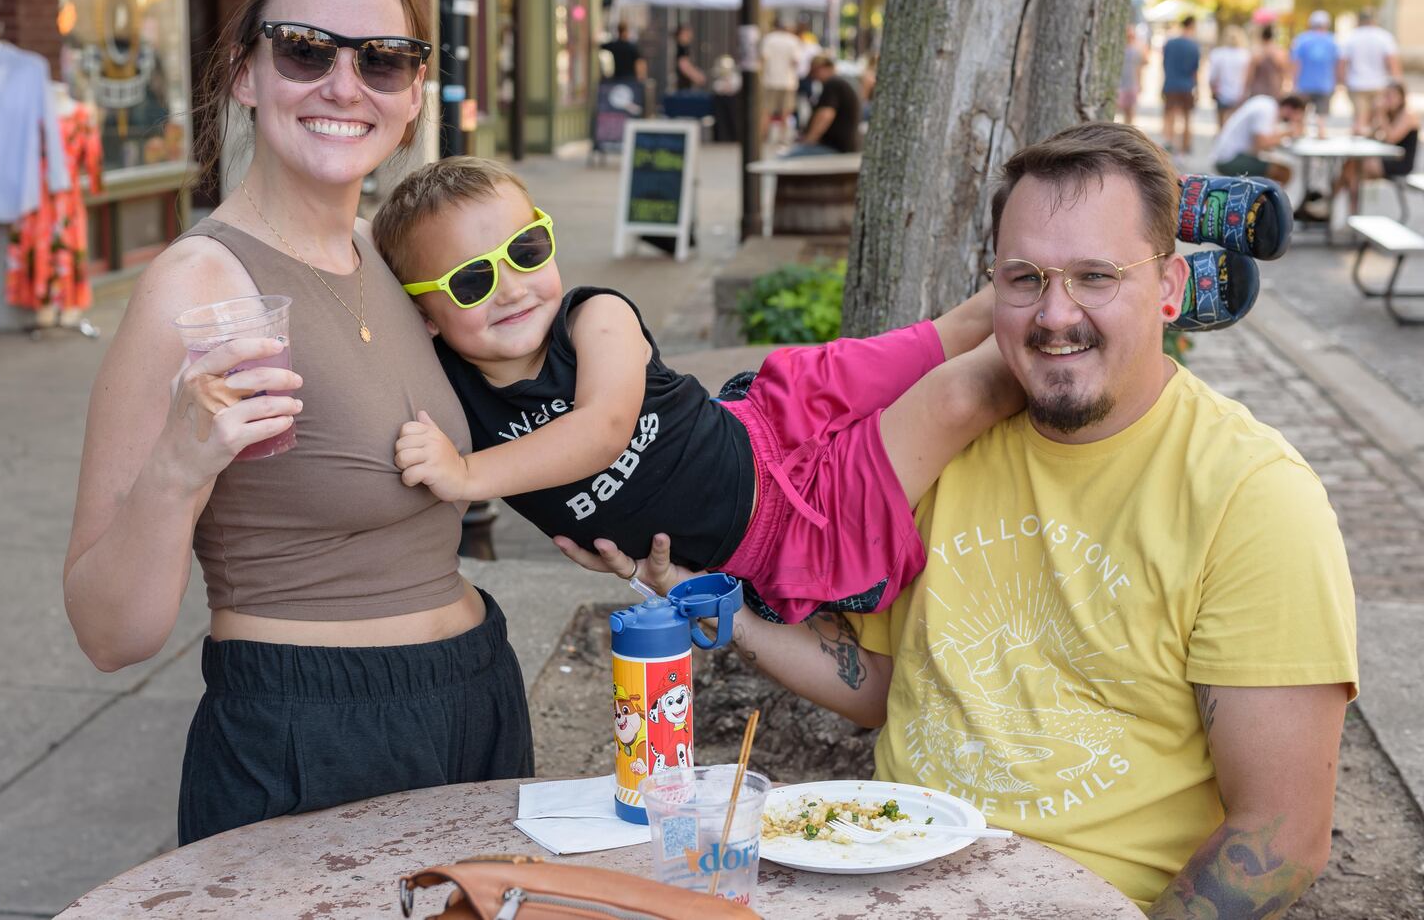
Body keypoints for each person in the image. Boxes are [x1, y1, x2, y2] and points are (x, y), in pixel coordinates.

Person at [565, 121, 1357, 915]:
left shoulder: (1251, 496)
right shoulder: (941, 445)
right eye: (1024, 279)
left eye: (1095, 276)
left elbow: (1279, 836)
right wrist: (699, 595)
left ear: (1171, 288)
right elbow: (885, 685)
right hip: (878, 879)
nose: (1055, 314)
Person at [62, 0, 533, 846]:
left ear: (413, 96)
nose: (345, 86)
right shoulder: (196, 286)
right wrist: (176, 465)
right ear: (245, 74)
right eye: (306, 50)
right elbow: (108, 634)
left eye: (385, 61)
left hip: (478, 701)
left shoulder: (393, 255)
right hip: (309, 737)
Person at [372, 156, 1020, 625]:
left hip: (775, 422)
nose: (512, 287)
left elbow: (602, 431)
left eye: (527, 249)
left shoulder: (594, 318)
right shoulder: (450, 388)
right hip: (784, 527)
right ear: (424, 315)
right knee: (966, 398)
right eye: (470, 281)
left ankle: (1061, 283)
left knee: (955, 332)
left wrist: (464, 473)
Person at [1333, 80, 1418, 216]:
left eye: (1391, 96)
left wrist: (1381, 114)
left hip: (1401, 162)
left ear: (1401, 98)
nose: (1388, 100)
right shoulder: (1390, 114)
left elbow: (1391, 138)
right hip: (1387, 159)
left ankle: (1336, 207)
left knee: (1354, 168)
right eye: (1386, 96)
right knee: (1351, 169)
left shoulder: (1407, 116)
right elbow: (1372, 134)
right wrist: (1372, 114)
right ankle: (1348, 212)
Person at [1211, 93, 1306, 184]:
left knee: (1277, 167)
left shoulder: (1267, 104)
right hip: (1229, 159)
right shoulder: (1266, 109)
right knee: (1283, 172)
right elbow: (1261, 144)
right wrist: (1288, 132)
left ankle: (1263, 199)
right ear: (1289, 109)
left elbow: (1261, 143)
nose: (1293, 121)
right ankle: (1270, 199)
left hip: (1230, 155)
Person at [785, 54, 861, 157]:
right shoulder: (839, 83)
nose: (813, 76)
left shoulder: (833, 84)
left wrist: (809, 140)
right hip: (838, 146)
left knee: (785, 159)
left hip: (834, 148)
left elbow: (825, 115)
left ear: (825, 68)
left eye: (815, 71)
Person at [1340, 9, 1401, 132]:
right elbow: (1392, 62)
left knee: (1360, 119)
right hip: (1380, 84)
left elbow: (1343, 63)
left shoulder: (1351, 37)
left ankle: (1359, 145)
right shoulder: (1384, 37)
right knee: (1378, 118)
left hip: (1357, 84)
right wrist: (1397, 83)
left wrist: (1342, 81)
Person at [1290, 10, 1339, 138]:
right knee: (1322, 114)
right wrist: (1338, 81)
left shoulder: (1302, 39)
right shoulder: (1332, 40)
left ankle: (1299, 133)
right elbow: (1337, 63)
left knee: (1301, 111)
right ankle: (1321, 133)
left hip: (1304, 83)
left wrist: (1293, 80)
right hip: (1325, 83)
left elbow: (1296, 62)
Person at [1160, 17, 1201, 155]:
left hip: (1170, 83)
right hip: (1186, 85)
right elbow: (1195, 71)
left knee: (1169, 115)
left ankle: (1169, 144)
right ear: (1192, 26)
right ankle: (1185, 147)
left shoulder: (1170, 43)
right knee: (1187, 118)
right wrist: (1198, 88)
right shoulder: (1194, 46)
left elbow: (1164, 65)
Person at [759, 22, 803, 142]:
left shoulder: (769, 39)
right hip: (788, 81)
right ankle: (782, 138)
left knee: (766, 110)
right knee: (786, 111)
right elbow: (795, 61)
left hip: (770, 80)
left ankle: (763, 136)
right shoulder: (793, 40)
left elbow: (763, 59)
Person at [1207, 25, 1250, 129]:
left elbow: (1212, 76)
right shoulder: (1245, 55)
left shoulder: (1218, 54)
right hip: (1239, 94)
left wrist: (1212, 89)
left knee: (1221, 125)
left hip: (1222, 93)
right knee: (1235, 125)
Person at [1244, 24, 1289, 101]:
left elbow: (1249, 75)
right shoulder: (1279, 53)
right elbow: (1284, 73)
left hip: (1258, 92)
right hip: (1274, 90)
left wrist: (1245, 90)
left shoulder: (1257, 53)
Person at [1117, 25, 1146, 126]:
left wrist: (1140, 83)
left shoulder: (1136, 51)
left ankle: (1128, 129)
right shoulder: (1118, 50)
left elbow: (1139, 68)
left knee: (1129, 111)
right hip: (1120, 85)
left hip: (1131, 84)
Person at [673, 23, 706, 90]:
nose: (690, 35)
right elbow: (683, 65)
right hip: (682, 88)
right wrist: (697, 76)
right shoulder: (682, 48)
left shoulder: (683, 47)